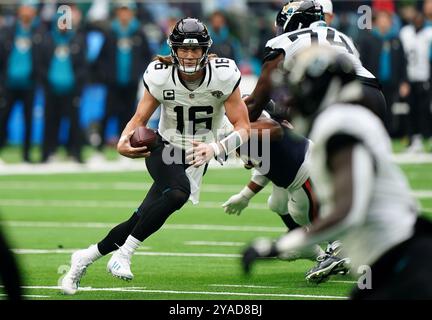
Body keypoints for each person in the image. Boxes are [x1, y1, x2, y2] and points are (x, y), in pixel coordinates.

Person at [61, 17, 250, 295]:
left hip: (198, 155)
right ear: (173, 49)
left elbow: (244, 127)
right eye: (183, 49)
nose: (188, 55)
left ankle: (85, 257)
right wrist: (123, 142)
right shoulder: (160, 74)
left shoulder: (224, 74)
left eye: (195, 50)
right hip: (164, 147)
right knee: (177, 193)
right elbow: (139, 118)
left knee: (140, 217)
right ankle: (123, 255)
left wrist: (216, 149)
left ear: (205, 50)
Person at [242, 45, 432, 299]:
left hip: (404, 257)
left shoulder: (340, 124)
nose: (291, 98)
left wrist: (278, 246)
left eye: (299, 87)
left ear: (320, 88)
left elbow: (348, 210)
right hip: (393, 258)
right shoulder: (344, 118)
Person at [222, 111, 350, 282]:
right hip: (292, 171)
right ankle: (305, 243)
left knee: (301, 214)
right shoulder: (237, 134)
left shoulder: (252, 121)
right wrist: (244, 196)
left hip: (304, 168)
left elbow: (273, 128)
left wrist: (242, 130)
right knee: (276, 203)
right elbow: (265, 168)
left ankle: (336, 248)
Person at [245, 0, 386, 125]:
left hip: (338, 94)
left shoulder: (285, 41)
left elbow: (255, 104)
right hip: (375, 93)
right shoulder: (342, 36)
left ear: (294, 22)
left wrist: (230, 116)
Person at [96, 1, 152, 153]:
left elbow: (147, 56)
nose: (124, 14)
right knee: (107, 114)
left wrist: (138, 73)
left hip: (131, 82)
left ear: (132, 13)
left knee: (128, 115)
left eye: (127, 11)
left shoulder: (139, 32)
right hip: (113, 82)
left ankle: (126, 146)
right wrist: (107, 75)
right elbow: (102, 57)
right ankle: (100, 148)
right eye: (122, 11)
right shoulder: (110, 32)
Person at [39, 4, 87, 163]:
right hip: (51, 89)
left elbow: (82, 65)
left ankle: (75, 153)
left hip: (71, 89)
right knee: (51, 121)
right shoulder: (48, 40)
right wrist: (48, 81)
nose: (64, 24)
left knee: (74, 122)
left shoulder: (77, 40)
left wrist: (77, 82)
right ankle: (48, 153)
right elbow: (41, 63)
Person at [0, 1, 43, 163]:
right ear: (19, 11)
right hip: (9, 84)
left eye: (31, 9)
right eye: (25, 8)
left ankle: (26, 155)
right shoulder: (8, 32)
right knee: (3, 119)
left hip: (29, 84)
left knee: (28, 121)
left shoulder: (38, 33)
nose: (27, 12)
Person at [357, 6, 410, 137]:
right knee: (372, 111)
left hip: (391, 83)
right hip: (373, 84)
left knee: (389, 112)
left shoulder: (396, 40)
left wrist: (404, 81)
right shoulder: (368, 39)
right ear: (377, 21)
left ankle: (386, 136)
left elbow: (403, 63)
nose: (384, 22)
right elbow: (362, 61)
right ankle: (372, 136)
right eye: (382, 19)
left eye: (387, 19)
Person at [399, 11, 432, 153]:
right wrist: (403, 80)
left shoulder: (429, 33)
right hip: (409, 77)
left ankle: (427, 137)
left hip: (425, 77)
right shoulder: (405, 33)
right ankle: (415, 139)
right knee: (411, 110)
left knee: (425, 110)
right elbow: (401, 57)